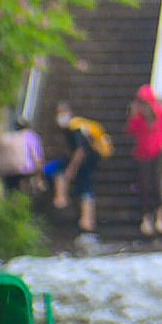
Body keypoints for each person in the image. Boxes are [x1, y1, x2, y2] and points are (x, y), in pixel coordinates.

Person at [125, 85, 162, 237]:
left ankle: (160, 216)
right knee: (144, 185)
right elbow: (130, 131)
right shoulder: (138, 117)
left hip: (157, 153)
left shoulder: (160, 112)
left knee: (157, 184)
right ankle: (147, 217)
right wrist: (133, 117)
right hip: (142, 154)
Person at [52, 102, 108, 238]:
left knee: (84, 187)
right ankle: (85, 219)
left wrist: (71, 170)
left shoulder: (74, 128)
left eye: (62, 113)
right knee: (82, 186)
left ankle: (86, 221)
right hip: (90, 159)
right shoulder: (77, 127)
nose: (60, 117)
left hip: (87, 160)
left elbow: (80, 150)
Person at [0, 115, 45, 196]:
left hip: (6, 170)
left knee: (9, 192)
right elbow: (37, 158)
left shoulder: (5, 137)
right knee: (23, 192)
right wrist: (39, 177)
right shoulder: (30, 136)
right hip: (24, 170)